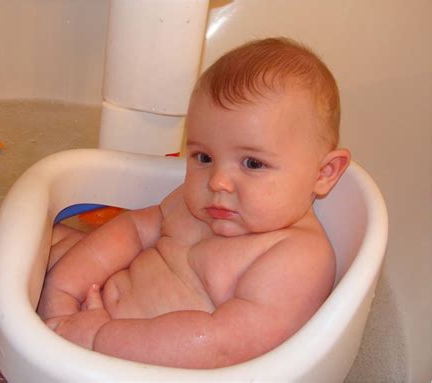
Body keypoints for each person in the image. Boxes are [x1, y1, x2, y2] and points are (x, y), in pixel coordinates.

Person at [37, 37, 351, 368]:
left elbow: (221, 346)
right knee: (43, 241)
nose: (217, 181)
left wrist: (99, 337)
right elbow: (131, 231)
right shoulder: (197, 206)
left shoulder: (295, 257)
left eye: (252, 163)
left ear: (324, 173)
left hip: (140, 368)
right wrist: (64, 291)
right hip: (89, 317)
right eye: (203, 156)